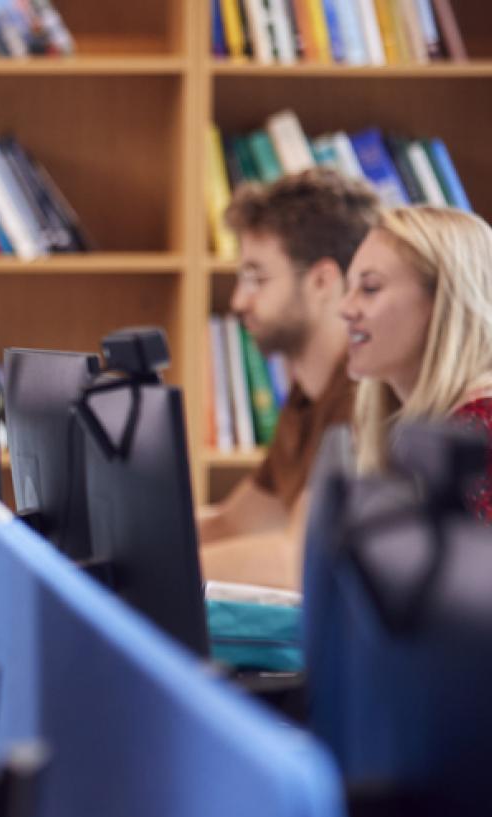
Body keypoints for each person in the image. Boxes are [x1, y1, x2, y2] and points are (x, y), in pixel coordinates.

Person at [200, 170, 379, 577]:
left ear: (321, 281)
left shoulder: (365, 394)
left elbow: (296, 561)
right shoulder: (307, 396)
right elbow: (233, 523)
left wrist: (132, 579)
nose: (239, 301)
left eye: (256, 278)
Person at [342, 204, 492, 521]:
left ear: (444, 302)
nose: (345, 308)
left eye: (369, 288)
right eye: (348, 289)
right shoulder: (409, 429)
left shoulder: (480, 430)